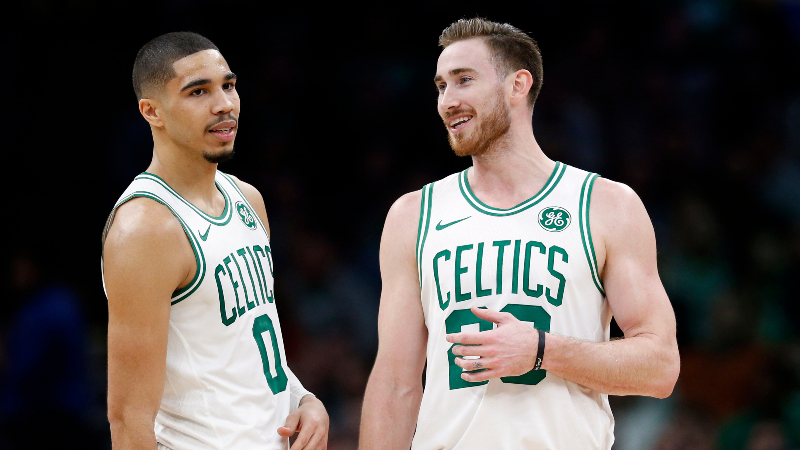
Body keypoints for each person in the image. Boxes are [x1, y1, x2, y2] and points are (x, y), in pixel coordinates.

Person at [359, 18, 680, 450]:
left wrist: (543, 349)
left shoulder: (606, 205)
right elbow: (394, 385)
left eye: (463, 80)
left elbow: (660, 367)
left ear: (518, 85)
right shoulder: (412, 215)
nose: (447, 101)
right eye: (440, 86)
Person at [102, 32, 328, 450]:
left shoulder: (249, 199)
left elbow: (251, 344)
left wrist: (304, 399)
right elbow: (128, 417)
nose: (224, 103)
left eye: (228, 85)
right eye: (198, 91)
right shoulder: (146, 230)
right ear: (152, 112)